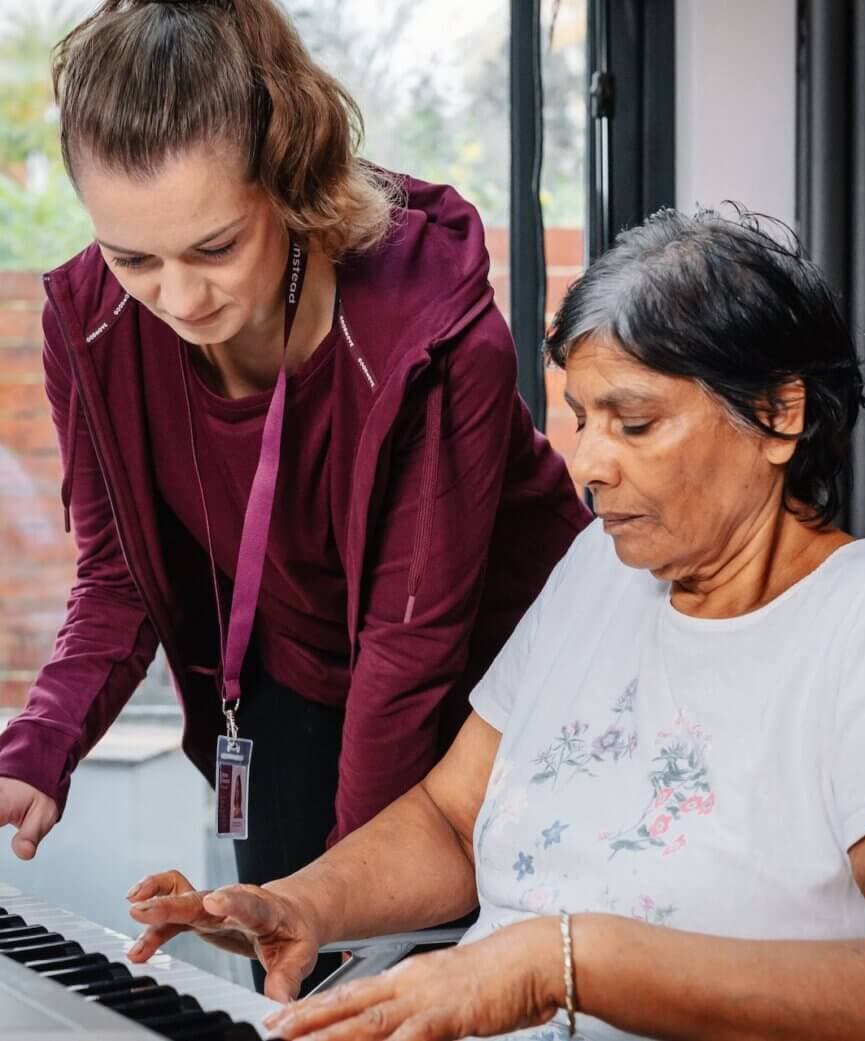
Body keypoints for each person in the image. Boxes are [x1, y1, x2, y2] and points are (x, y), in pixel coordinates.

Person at [128, 207, 865, 1041]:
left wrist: (560, 963)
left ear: (778, 414)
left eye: (636, 422)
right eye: (583, 420)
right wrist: (304, 902)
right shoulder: (597, 572)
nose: (588, 465)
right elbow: (451, 819)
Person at [0, 0, 589, 992]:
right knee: (288, 982)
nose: (178, 300)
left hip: (502, 691)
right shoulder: (92, 324)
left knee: (425, 984)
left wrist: (339, 898)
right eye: (132, 256)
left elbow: (412, 649)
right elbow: (117, 575)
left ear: (290, 178)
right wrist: (38, 746)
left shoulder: (433, 331)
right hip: (296, 683)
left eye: (215, 247)